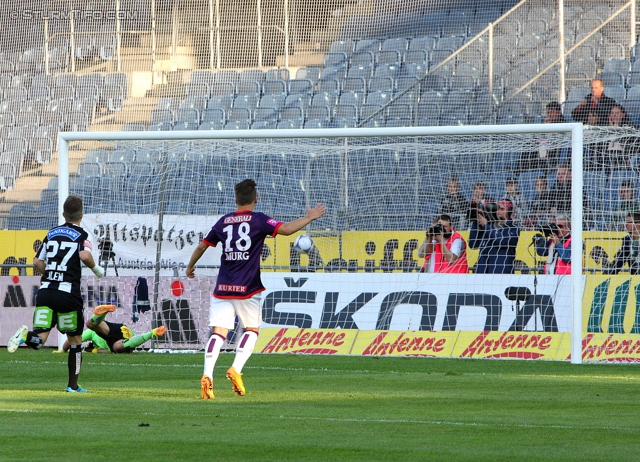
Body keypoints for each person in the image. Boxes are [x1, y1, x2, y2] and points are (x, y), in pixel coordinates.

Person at [186, 178, 326, 400]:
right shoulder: (259, 220)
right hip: (247, 288)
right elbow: (288, 230)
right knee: (251, 330)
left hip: (222, 287)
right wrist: (310, 217)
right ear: (255, 200)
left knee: (219, 333)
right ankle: (236, 369)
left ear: (236, 200)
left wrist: (190, 266)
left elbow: (203, 245)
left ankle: (207, 375)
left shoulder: (224, 221)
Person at [6, 195, 105, 393]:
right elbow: (84, 255)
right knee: (76, 341)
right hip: (68, 294)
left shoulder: (51, 233)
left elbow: (36, 262)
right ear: (81, 215)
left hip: (46, 291)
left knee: (39, 339)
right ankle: (73, 386)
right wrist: (97, 270)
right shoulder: (82, 234)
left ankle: (26, 336)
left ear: (63, 214)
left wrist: (51, 275)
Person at [58, 305, 167, 354]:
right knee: (90, 324)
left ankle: (152, 333)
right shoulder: (98, 343)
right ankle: (102, 314)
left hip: (116, 338)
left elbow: (72, 340)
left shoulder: (91, 334)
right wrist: (96, 351)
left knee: (116, 347)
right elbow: (108, 352)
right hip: (122, 329)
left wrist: (63, 350)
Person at [468, 199, 520, 274]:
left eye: (502, 209)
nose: (498, 211)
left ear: (509, 211)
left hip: (502, 273)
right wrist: (476, 223)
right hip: (482, 272)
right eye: (497, 208)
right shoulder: (488, 225)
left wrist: (486, 226)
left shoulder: (513, 228)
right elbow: (473, 245)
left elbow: (502, 241)